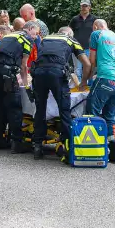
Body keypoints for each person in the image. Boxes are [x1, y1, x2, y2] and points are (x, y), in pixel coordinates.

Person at [31, 27, 91, 159]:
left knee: (40, 109)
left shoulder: (45, 39)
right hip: (57, 74)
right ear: (69, 34)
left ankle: (37, 145)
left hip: (39, 74)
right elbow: (86, 64)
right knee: (64, 111)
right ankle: (67, 147)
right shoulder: (70, 39)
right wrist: (83, 83)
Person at [0, 22, 40, 153]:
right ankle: (17, 143)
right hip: (7, 72)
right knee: (14, 105)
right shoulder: (27, 39)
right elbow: (23, 65)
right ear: (29, 29)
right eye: (35, 33)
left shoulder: (9, 36)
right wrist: (26, 84)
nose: (35, 37)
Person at [86, 19, 115, 164]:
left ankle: (93, 149)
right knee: (110, 116)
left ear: (96, 26)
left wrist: (87, 80)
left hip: (104, 78)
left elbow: (92, 61)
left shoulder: (97, 34)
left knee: (91, 113)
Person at [69, 0, 96, 83]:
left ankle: (90, 89)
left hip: (90, 48)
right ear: (80, 7)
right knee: (77, 69)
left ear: (89, 7)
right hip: (77, 48)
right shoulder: (74, 19)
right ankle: (79, 90)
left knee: (90, 68)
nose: (84, 8)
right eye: (82, 6)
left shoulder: (94, 19)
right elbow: (69, 32)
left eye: (86, 6)